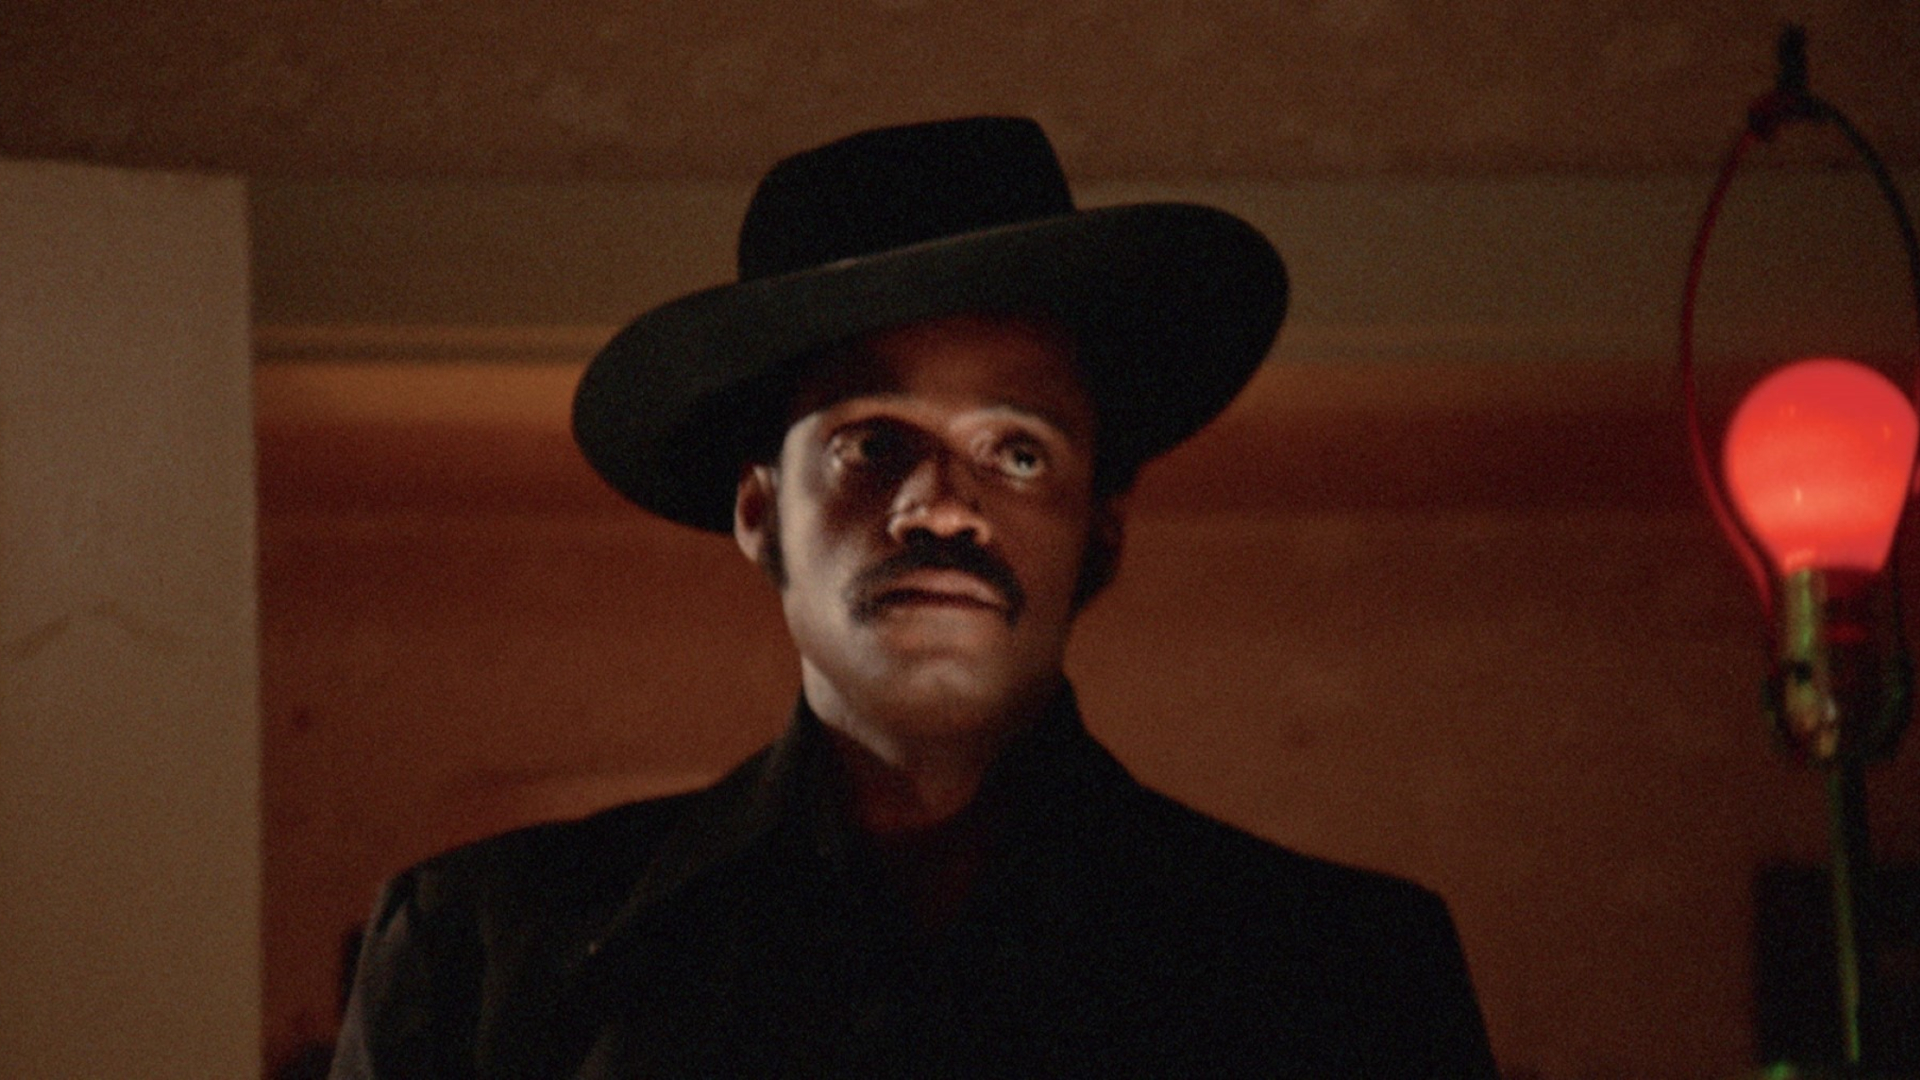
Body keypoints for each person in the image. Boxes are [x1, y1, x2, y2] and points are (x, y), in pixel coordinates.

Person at [328, 116, 1498, 1079]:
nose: (943, 505)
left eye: (1019, 452)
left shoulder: (1342, 975)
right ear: (758, 512)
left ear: (1100, 526)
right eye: (871, 443)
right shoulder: (481, 956)